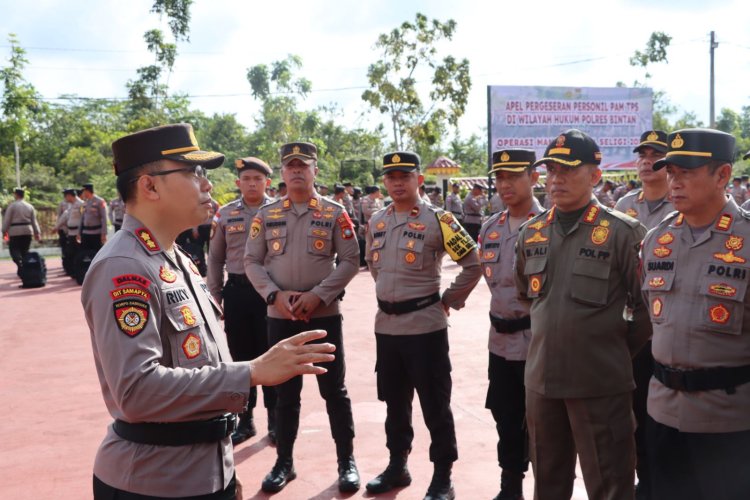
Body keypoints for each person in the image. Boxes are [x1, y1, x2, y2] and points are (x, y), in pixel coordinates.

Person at [83, 123, 336, 500]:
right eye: (194, 173)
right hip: (157, 482)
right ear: (149, 186)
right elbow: (136, 392)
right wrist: (251, 372)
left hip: (202, 469)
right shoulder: (124, 266)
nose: (207, 184)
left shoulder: (174, 256)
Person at [514, 129, 651, 500]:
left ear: (594, 176)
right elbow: (531, 300)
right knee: (548, 482)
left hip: (601, 384)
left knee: (610, 485)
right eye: (550, 171)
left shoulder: (624, 233)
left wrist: (609, 347)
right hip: (542, 382)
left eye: (568, 170)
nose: (555, 179)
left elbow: (648, 310)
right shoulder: (531, 233)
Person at [244, 141, 361, 493]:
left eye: (303, 166)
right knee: (284, 393)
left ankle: (347, 461)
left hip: (323, 316)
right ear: (281, 173)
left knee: (334, 392)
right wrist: (274, 295)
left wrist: (318, 295)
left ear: (314, 171)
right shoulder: (266, 214)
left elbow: (352, 260)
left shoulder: (334, 212)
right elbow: (251, 261)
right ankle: (285, 462)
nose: (296, 171)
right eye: (290, 166)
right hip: (280, 317)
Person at [364, 151, 482, 500]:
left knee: (435, 405)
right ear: (385, 181)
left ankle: (443, 475)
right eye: (391, 177)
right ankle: (397, 465)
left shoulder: (440, 219)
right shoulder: (377, 221)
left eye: (404, 176)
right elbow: (375, 266)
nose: (397, 183)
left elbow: (473, 264)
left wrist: (449, 299)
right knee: (394, 403)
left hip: (425, 328)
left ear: (418, 179)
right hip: (386, 326)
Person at [640, 128, 750, 500]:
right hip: (662, 416)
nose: (674, 182)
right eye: (671, 172)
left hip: (729, 424)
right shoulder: (657, 240)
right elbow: (652, 318)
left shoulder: (747, 241)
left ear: (722, 176)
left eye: (686, 171)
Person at [479, 149, 543, 500]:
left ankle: (546, 488)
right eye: (500, 177)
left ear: (534, 178)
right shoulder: (490, 229)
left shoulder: (552, 226)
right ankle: (510, 486)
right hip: (500, 343)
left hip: (539, 342)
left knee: (545, 424)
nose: (505, 184)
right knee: (505, 415)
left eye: (514, 176)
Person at [612, 129, 672, 499]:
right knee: (633, 409)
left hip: (669, 326)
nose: (647, 162)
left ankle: (661, 481)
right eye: (642, 155)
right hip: (633, 326)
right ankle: (644, 479)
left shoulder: (682, 204)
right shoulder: (623, 205)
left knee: (665, 415)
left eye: (655, 156)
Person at [206, 157, 277, 446]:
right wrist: (215, 295)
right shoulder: (224, 215)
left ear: (267, 183)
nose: (251, 183)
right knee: (240, 359)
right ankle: (245, 421)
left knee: (271, 356)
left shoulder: (279, 211)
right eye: (246, 178)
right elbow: (215, 257)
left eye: (257, 179)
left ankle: (276, 421)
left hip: (269, 294)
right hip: (236, 292)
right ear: (238, 183)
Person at [2, 188, 42, 274]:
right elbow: (34, 221)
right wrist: (37, 232)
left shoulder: (12, 206)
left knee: (14, 250)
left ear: (16, 195)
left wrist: (4, 230)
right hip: (27, 230)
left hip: (15, 231)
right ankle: (24, 269)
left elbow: (7, 220)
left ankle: (20, 264)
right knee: (25, 251)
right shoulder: (30, 206)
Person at [77, 183, 108, 252]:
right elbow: (82, 218)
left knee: (97, 253)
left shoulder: (99, 201)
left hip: (96, 232)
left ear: (88, 191)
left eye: (84, 191)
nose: (83, 194)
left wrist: (104, 233)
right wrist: (79, 232)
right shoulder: (85, 203)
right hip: (86, 232)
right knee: (86, 253)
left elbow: (104, 218)